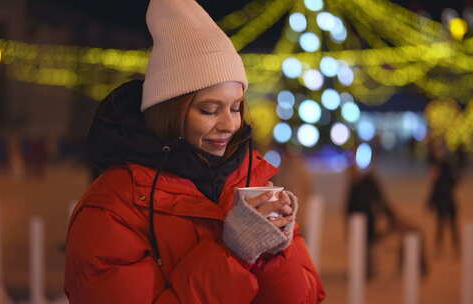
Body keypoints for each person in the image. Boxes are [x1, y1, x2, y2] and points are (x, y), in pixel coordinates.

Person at [64, 1, 325, 303]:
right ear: (169, 112)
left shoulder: (248, 184)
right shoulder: (114, 207)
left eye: (236, 107)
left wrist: (277, 250)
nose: (229, 124)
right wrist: (233, 252)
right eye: (209, 109)